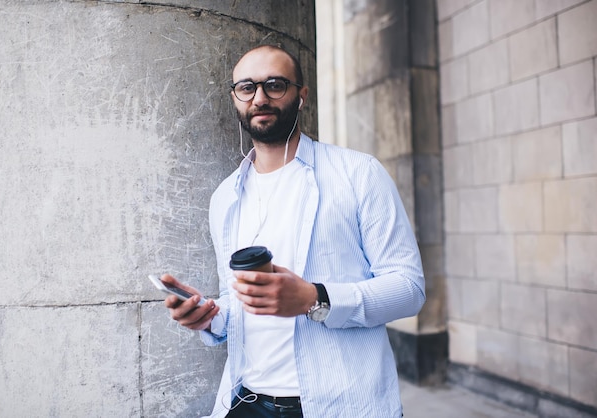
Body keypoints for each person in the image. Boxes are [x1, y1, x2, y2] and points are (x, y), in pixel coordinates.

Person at [161, 44, 426, 418]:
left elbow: (409, 289)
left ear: (301, 95)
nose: (260, 97)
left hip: (342, 406)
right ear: (235, 98)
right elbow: (237, 300)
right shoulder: (225, 197)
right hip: (246, 401)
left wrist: (314, 298)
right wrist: (209, 316)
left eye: (275, 84)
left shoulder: (358, 174)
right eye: (247, 87)